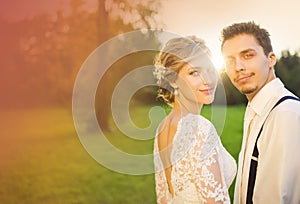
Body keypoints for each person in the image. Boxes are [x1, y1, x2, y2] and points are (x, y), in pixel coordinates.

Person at [221, 21, 300, 204]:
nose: (238, 67)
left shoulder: (285, 114)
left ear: (271, 59)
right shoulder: (256, 109)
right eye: (230, 60)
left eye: (248, 55)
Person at [153, 36, 237, 204]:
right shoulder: (199, 129)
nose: (208, 80)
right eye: (194, 72)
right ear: (172, 80)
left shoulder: (163, 127)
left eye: (210, 69)